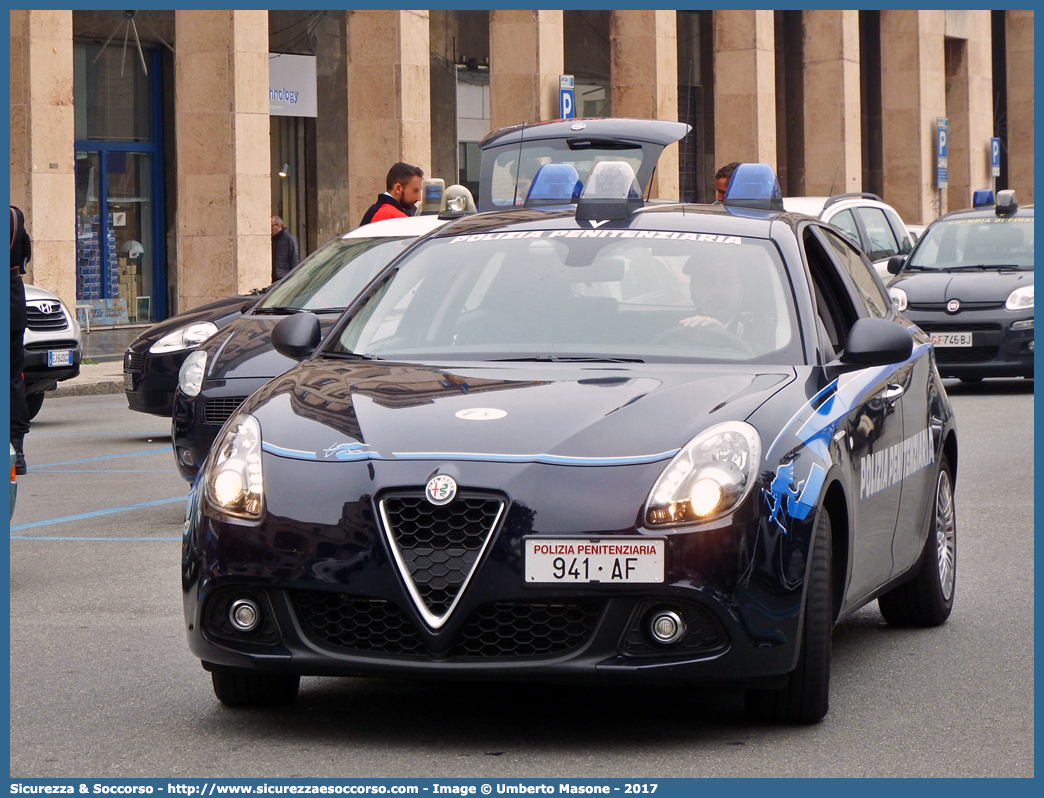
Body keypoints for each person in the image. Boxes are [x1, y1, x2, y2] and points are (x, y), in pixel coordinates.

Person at [10, 206, 31, 474]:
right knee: (14, 380)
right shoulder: (15, 215)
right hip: (13, 304)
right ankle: (18, 451)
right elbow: (25, 256)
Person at [359, 162, 424, 226]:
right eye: (415, 191)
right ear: (398, 189)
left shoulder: (376, 211)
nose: (419, 198)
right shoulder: (389, 216)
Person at [271, 216, 299, 282]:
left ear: (278, 226)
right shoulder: (272, 239)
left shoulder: (289, 239)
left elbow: (294, 260)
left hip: (283, 277)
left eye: (271, 226)